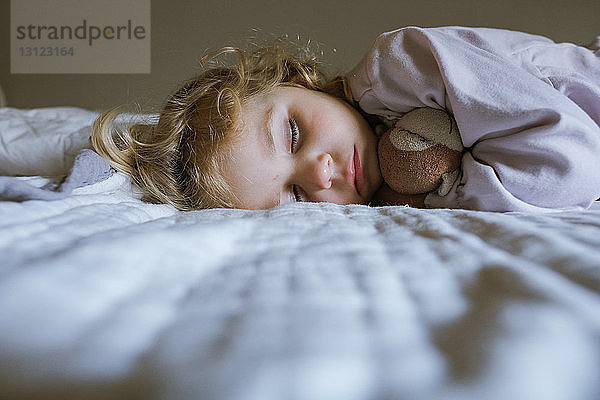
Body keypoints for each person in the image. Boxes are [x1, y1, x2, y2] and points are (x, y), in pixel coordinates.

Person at [91, 26, 600, 212]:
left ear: (297, 80)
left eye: (293, 133)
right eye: (293, 195)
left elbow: (569, 163)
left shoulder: (400, 66)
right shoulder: (383, 192)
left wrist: (441, 194)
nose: (319, 173)